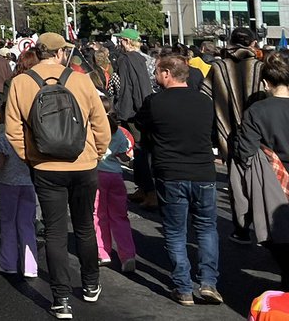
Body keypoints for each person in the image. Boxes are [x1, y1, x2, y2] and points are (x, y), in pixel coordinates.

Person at [5, 32, 111, 320]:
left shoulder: (21, 83)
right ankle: (91, 284)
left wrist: (31, 157)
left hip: (46, 167)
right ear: (61, 53)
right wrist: (97, 152)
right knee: (85, 225)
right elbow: (101, 123)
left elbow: (13, 130)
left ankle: (61, 298)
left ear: (38, 52)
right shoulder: (80, 79)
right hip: (83, 162)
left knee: (54, 231)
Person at [137, 53, 223, 306]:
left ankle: (183, 287)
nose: (155, 76)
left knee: (175, 231)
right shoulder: (205, 101)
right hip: (203, 172)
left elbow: (141, 125)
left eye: (157, 72)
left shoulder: (154, 102)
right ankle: (208, 283)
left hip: (170, 172)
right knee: (207, 228)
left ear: (166, 73)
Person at [233, 50, 289, 285]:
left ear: (266, 82)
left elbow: (245, 152)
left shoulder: (257, 111)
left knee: (282, 244)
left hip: (275, 184)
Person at [204, 27, 264, 240]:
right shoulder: (260, 67)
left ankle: (241, 229)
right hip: (258, 135)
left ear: (229, 42)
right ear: (253, 44)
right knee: (261, 180)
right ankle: (264, 230)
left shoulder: (218, 67)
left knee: (237, 183)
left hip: (227, 132)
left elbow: (205, 97)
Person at [0, 101, 39, 279]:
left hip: (8, 184)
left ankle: (8, 262)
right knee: (26, 224)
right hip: (28, 184)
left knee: (8, 223)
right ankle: (30, 266)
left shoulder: (5, 137)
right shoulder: (30, 136)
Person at [93, 99, 136, 273]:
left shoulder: (93, 129)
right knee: (120, 216)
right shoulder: (118, 132)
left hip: (97, 175)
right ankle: (128, 255)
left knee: (98, 214)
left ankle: (102, 251)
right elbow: (124, 156)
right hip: (116, 176)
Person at [115, 28, 157, 208]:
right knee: (143, 150)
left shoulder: (125, 60)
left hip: (133, 111)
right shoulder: (143, 58)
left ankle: (150, 192)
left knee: (139, 151)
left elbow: (127, 88)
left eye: (121, 40)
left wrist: (122, 111)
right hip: (143, 107)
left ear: (125, 41)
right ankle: (143, 188)